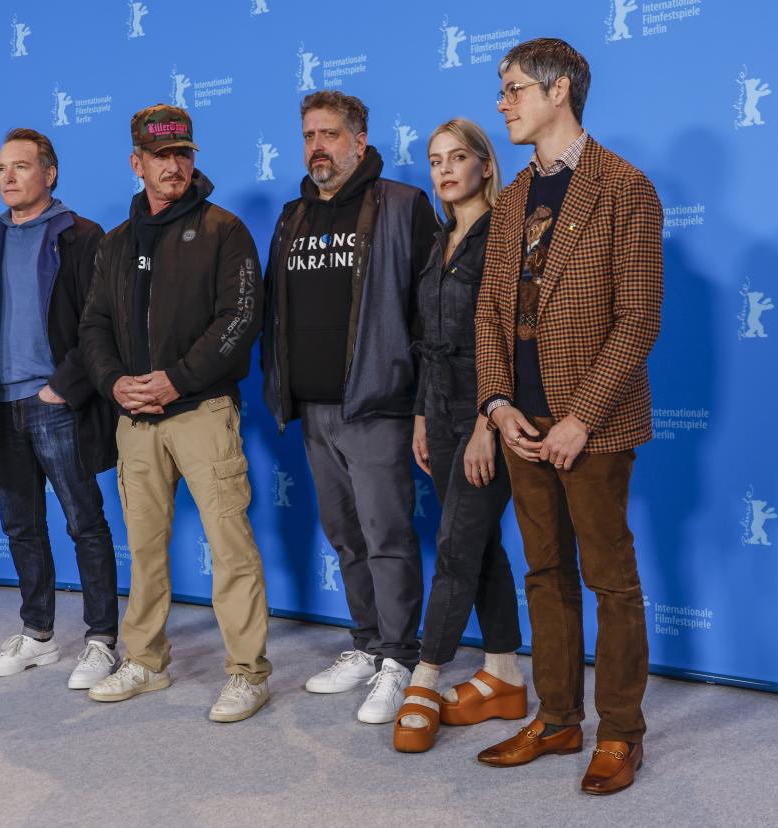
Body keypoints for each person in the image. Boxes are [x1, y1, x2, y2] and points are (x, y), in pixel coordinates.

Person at [473, 38, 663, 795]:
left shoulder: (625, 186)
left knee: (609, 579)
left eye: (514, 88)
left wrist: (581, 417)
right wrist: (495, 403)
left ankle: (620, 732)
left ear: (559, 92)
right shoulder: (513, 196)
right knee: (544, 574)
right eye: (502, 88)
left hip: (594, 427)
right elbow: (490, 314)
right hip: (521, 422)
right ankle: (557, 719)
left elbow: (639, 316)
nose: (502, 102)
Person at [79, 104, 271, 723]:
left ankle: (247, 673)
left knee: (230, 546)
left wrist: (175, 380)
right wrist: (114, 384)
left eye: (183, 154)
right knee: (145, 548)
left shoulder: (224, 230)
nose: (175, 166)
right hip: (134, 421)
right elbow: (95, 327)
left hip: (202, 412)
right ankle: (145, 660)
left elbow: (239, 321)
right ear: (137, 163)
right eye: (161, 157)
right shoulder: (114, 243)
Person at [261, 90, 439, 725]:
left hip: (378, 405)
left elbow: (430, 314)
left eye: (330, 134)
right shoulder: (291, 217)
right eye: (309, 134)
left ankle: (402, 657)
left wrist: (423, 404)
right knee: (344, 536)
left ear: (359, 143)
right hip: (314, 409)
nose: (317, 146)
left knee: (386, 535)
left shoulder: (403, 206)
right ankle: (366, 643)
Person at [0, 128, 119, 689]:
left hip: (56, 404)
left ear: (51, 173)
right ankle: (38, 635)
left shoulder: (82, 237)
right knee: (21, 526)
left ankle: (101, 641)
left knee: (83, 521)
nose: (8, 177)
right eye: (0, 168)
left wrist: (64, 386)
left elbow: (100, 323)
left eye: (20, 166)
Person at [392, 119, 526, 754]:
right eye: (434, 159)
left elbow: (508, 339)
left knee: (453, 545)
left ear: (485, 166)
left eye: (458, 158)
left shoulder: (506, 237)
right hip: (438, 411)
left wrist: (485, 424)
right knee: (480, 546)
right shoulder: (440, 240)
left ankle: (424, 677)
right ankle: (504, 673)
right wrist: (422, 414)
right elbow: (429, 344)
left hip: (486, 415)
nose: (444, 170)